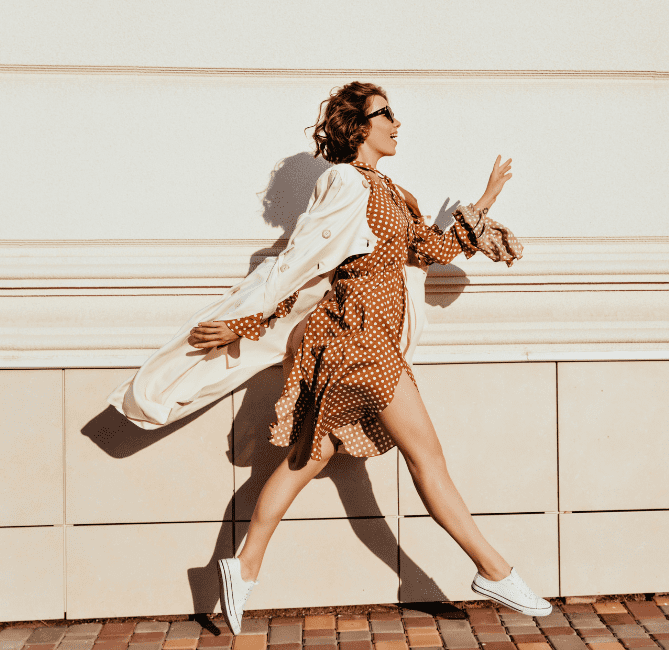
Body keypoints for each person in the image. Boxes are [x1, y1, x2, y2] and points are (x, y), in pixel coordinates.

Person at [109, 81, 552, 634]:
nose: (396, 122)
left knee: (307, 459)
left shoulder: (387, 189)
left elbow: (426, 251)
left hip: (362, 342)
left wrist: (483, 202)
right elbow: (300, 266)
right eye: (385, 113)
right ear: (358, 126)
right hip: (356, 341)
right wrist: (245, 323)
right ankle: (494, 569)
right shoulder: (344, 182)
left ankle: (241, 568)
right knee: (427, 459)